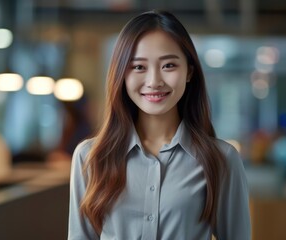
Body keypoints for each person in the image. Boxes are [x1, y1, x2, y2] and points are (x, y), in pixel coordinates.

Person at [68, 10, 251, 239]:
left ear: (189, 72)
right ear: (121, 75)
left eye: (168, 66)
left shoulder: (221, 159)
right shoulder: (90, 157)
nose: (154, 81)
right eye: (138, 67)